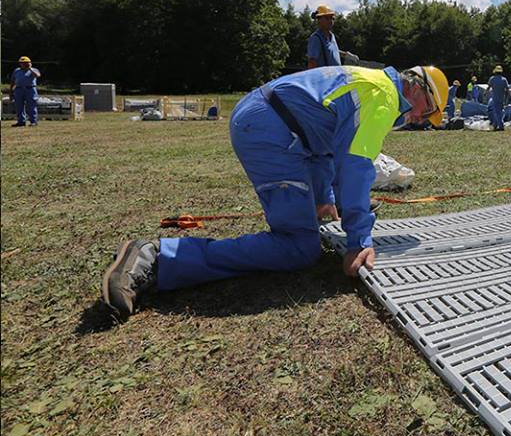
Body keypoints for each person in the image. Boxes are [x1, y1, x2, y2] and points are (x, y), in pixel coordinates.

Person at [101, 64, 449, 320]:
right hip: (270, 131)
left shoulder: (370, 82)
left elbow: (326, 148)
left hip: (271, 122)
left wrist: (324, 199)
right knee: (299, 247)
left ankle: (164, 258)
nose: (420, 120)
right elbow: (355, 167)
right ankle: (159, 259)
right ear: (418, 91)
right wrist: (359, 241)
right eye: (427, 112)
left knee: (305, 232)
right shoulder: (384, 97)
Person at [10, 56, 41, 127]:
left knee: (31, 105)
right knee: (19, 106)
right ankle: (21, 121)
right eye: (21, 63)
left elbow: (38, 75)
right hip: (18, 89)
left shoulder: (34, 70)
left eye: (25, 63)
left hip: (30, 89)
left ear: (29, 63)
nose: (23, 64)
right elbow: (12, 81)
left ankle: (33, 121)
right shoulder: (16, 70)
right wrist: (11, 92)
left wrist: (30, 68)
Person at [487, 66, 510, 131]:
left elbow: (488, 87)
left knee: (497, 112)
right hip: (502, 98)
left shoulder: (492, 79)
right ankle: (495, 125)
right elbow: (507, 89)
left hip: (495, 98)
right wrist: (510, 96)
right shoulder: (504, 79)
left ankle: (500, 125)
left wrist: (485, 93)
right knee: (500, 111)